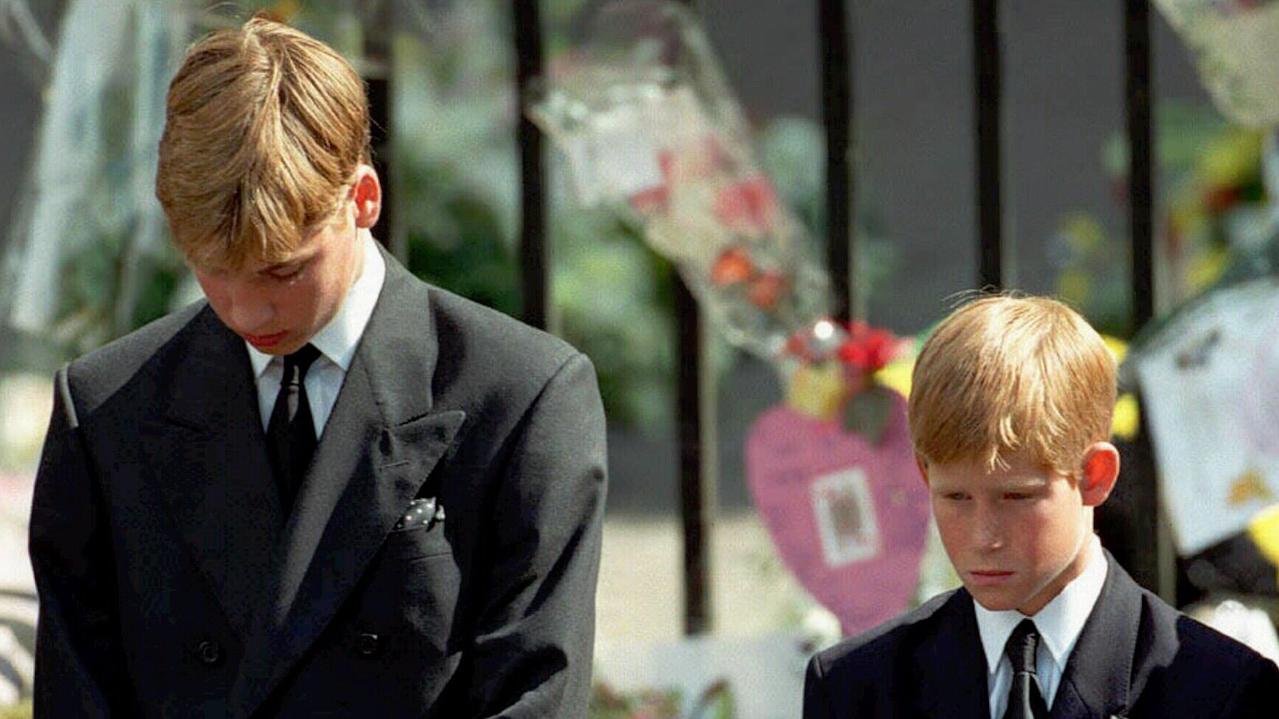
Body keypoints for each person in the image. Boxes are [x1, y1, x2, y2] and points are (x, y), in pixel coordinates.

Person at [28, 14, 607, 717]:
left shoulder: (521, 399)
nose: (247, 311)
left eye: (282, 270)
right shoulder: (106, 410)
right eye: (214, 271)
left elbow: (534, 696)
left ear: (362, 199)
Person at [803, 295, 1279, 718]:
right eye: (955, 497)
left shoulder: (1219, 690)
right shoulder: (854, 689)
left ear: (1095, 476)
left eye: (1017, 497)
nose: (983, 536)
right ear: (925, 474)